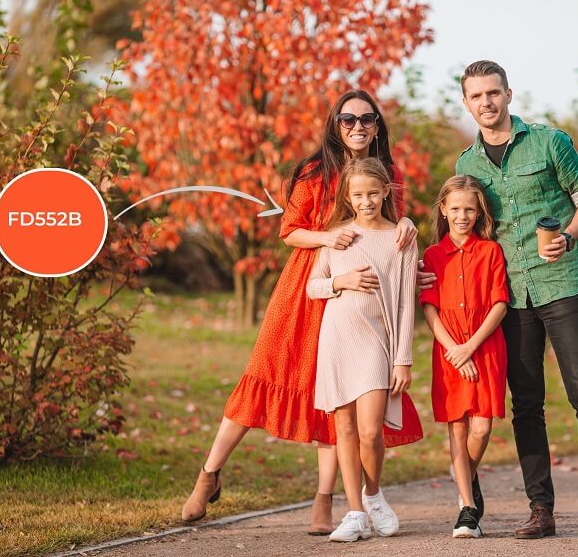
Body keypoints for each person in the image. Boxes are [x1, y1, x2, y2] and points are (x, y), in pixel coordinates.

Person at [181, 91, 424, 534]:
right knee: (264, 374)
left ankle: (326, 500)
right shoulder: (315, 172)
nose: (357, 126)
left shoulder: (388, 174)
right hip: (307, 287)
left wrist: (410, 227)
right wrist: (327, 238)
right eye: (348, 118)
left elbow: (389, 234)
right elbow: (289, 232)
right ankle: (210, 472)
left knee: (338, 398)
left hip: (360, 306)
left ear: (377, 126)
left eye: (367, 119)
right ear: (335, 124)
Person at [454, 60, 578, 545]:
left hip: (564, 285)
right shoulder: (466, 165)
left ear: (509, 94)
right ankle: (541, 510)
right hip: (508, 297)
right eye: (476, 96)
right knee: (526, 405)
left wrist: (569, 238)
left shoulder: (552, 141)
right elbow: (467, 229)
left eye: (493, 92)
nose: (486, 102)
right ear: (466, 103)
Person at [307, 157, 419, 542]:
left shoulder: (401, 237)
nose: (366, 201)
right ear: (348, 197)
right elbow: (313, 286)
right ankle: (354, 512)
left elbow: (406, 301)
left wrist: (402, 358)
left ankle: (373, 495)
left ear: (386, 191)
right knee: (344, 428)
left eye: (373, 193)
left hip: (376, 341)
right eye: (358, 195)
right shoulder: (338, 235)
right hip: (337, 338)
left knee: (371, 431)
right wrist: (342, 280)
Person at [419, 175, 508, 539]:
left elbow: (500, 302)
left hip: (485, 348)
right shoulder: (431, 255)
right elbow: (429, 309)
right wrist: (454, 351)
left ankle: (464, 476)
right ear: (443, 209)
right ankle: (467, 508)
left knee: (482, 427)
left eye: (469, 209)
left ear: (478, 212)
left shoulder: (490, 251)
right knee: (457, 427)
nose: (462, 215)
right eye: (455, 208)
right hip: (448, 350)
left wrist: (470, 347)